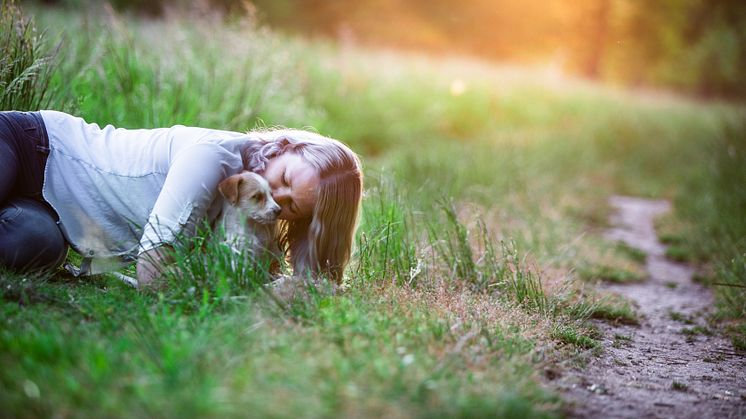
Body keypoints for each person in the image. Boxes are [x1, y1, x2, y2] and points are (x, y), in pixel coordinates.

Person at [0, 110, 363, 287]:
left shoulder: (250, 215)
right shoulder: (213, 158)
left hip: (49, 211)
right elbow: (150, 275)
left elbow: (302, 283)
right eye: (284, 176)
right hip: (31, 144)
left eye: (290, 206)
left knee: (34, 247)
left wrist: (301, 286)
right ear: (285, 147)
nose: (275, 197)